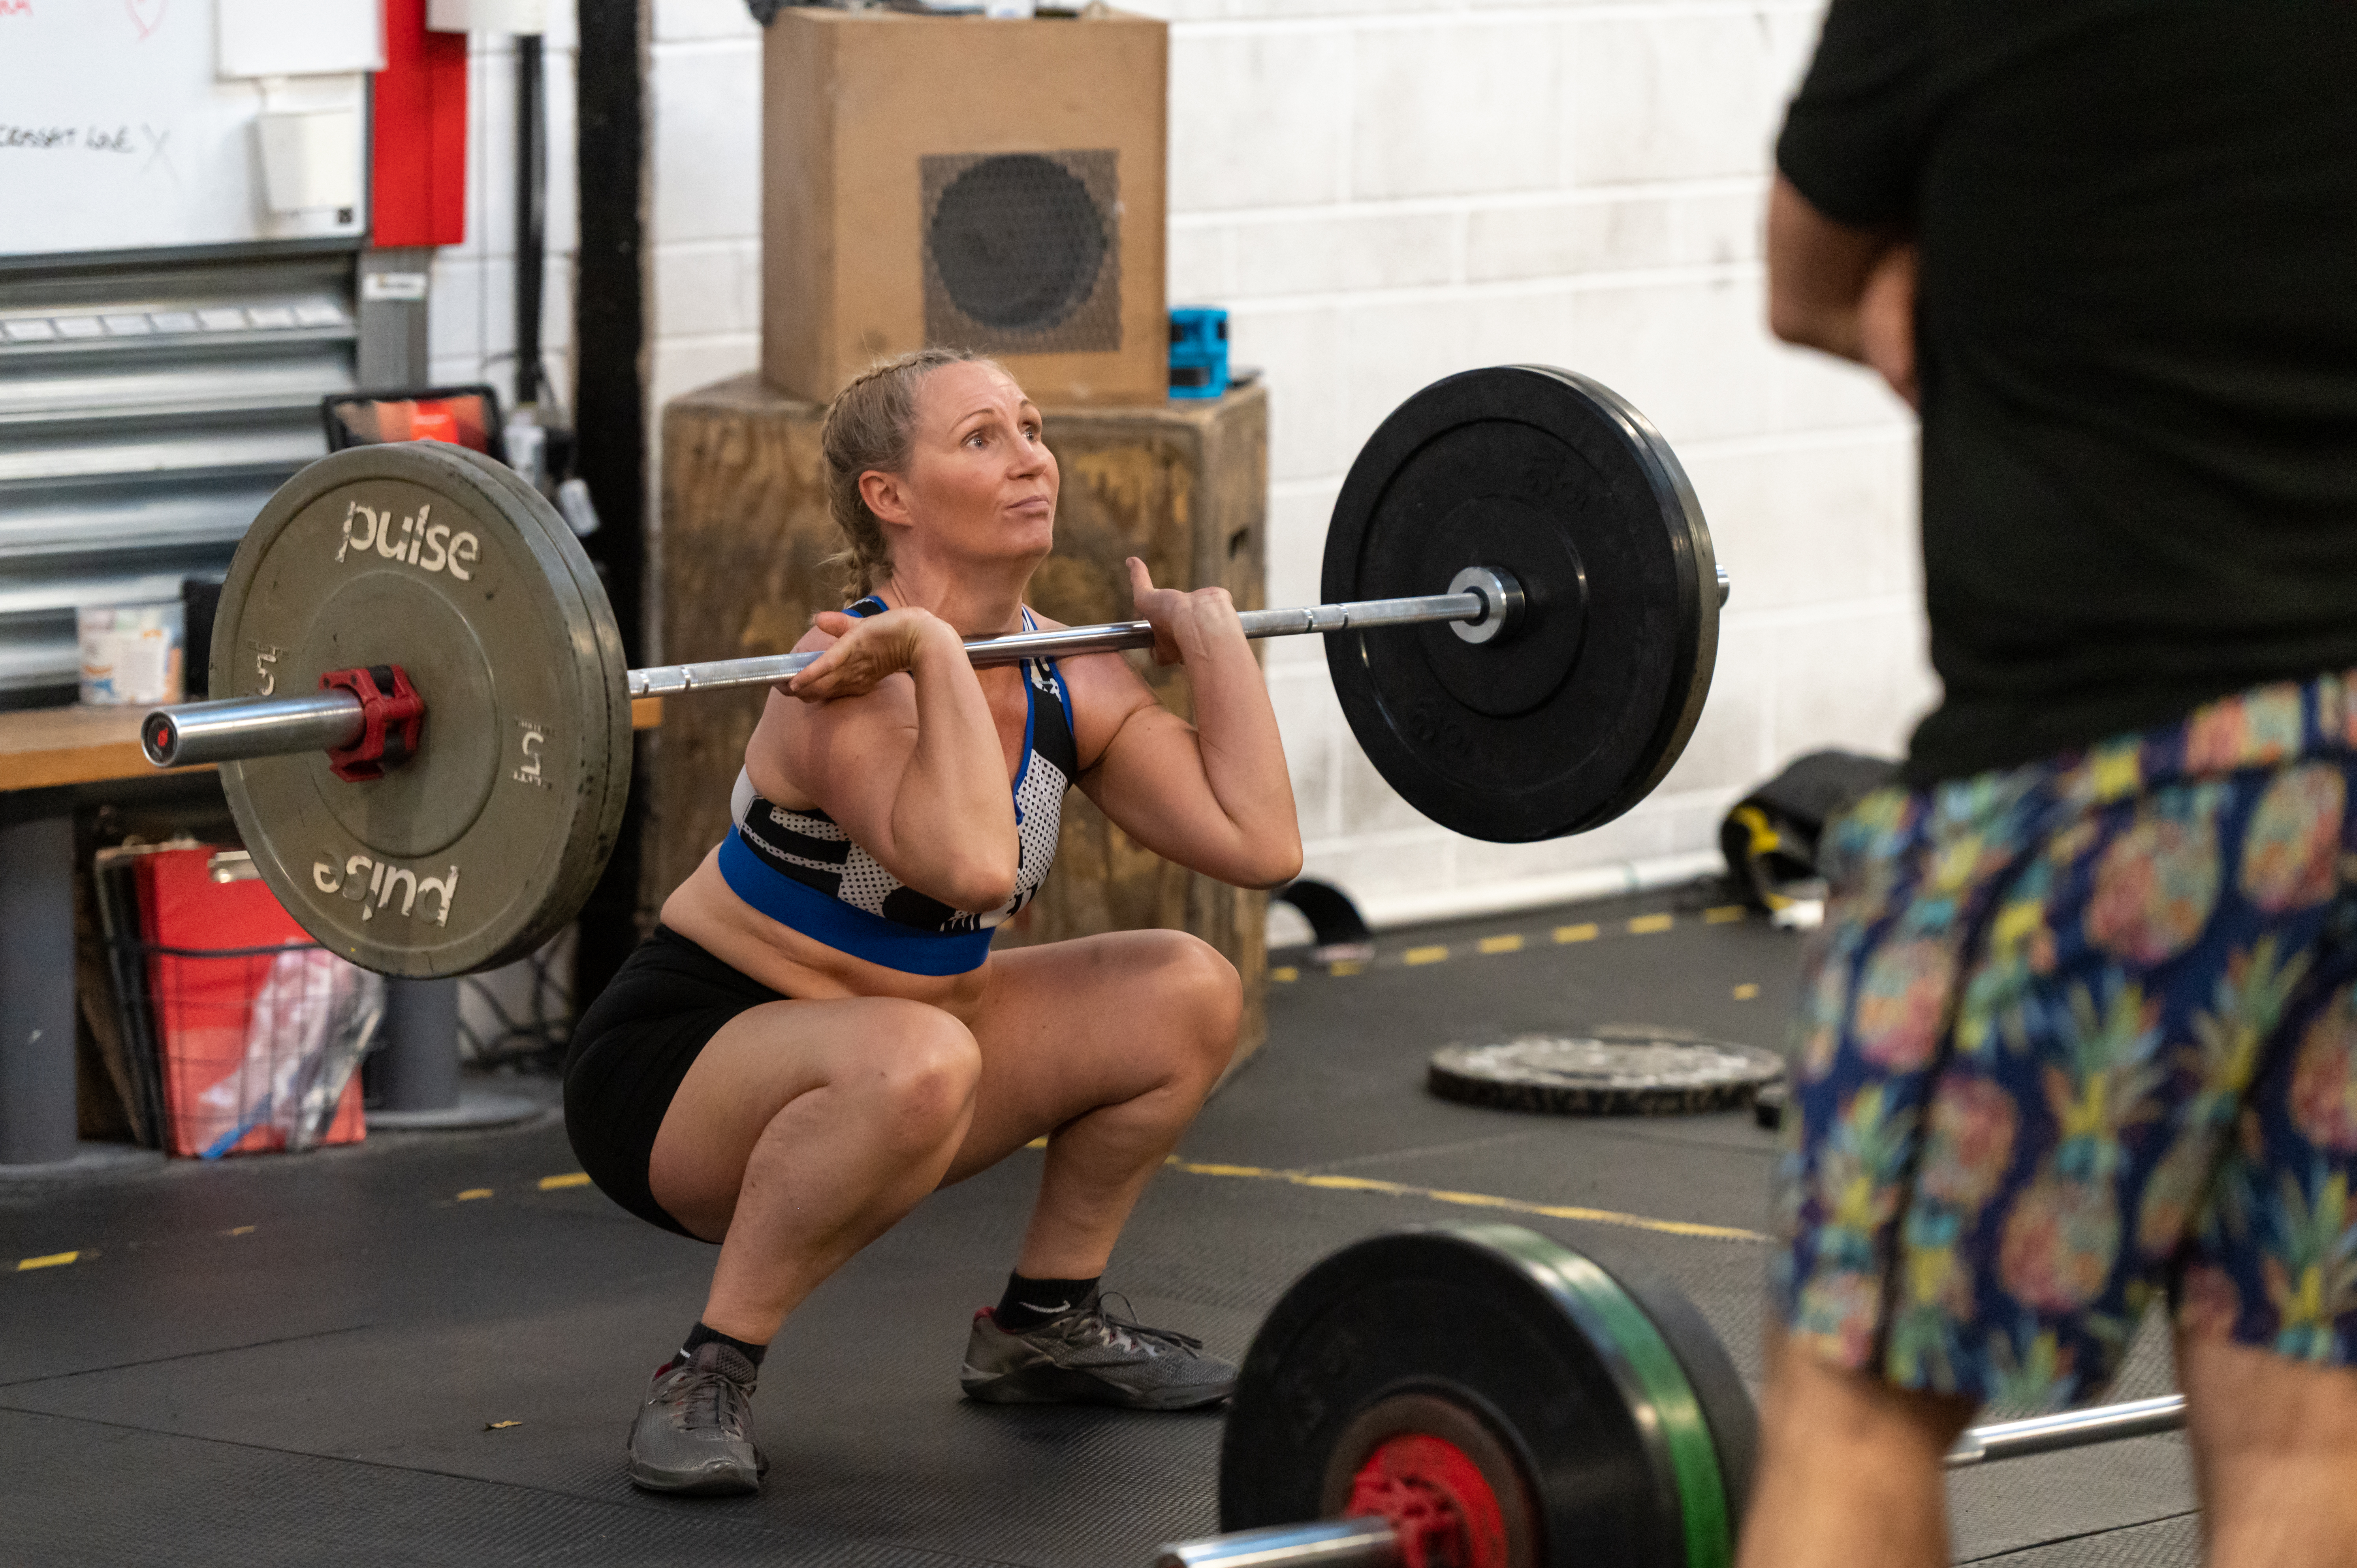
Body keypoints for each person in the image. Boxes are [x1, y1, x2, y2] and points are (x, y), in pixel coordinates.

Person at [1746, 2, 2357, 1564]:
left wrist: (1930, 278)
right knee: (2309, 1420)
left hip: (2108, 773)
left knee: (1857, 1407)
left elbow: (1805, 285)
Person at [561, 347, 1302, 1496]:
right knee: (920, 1057)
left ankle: (1044, 1323)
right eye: (982, 438)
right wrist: (928, 650)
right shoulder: (835, 677)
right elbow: (972, 868)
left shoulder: (1069, 678)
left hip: (918, 1049)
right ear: (889, 497)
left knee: (1188, 986)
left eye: (1033, 427)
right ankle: (707, 1368)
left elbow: (1262, 846)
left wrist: (1212, 644)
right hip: (688, 1069)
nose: (1032, 459)